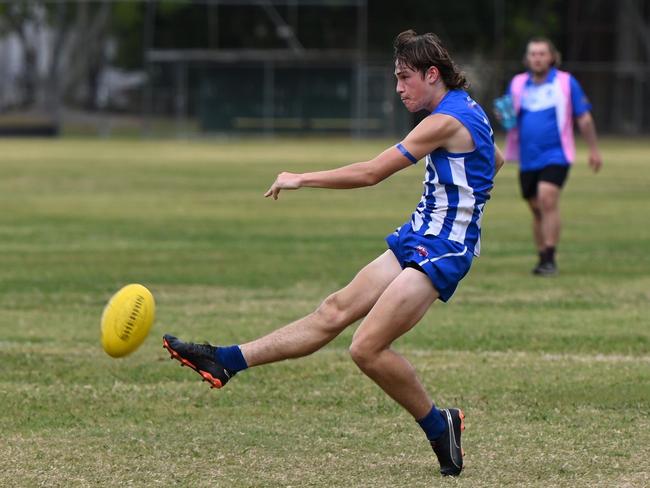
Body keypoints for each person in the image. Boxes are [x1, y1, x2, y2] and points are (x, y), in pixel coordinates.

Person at [163, 30, 504, 478]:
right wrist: (471, 197)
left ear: (432, 74)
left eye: (405, 78)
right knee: (334, 310)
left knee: (366, 348)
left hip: (443, 249)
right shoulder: (463, 109)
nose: (399, 88)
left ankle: (440, 425)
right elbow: (494, 158)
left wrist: (300, 178)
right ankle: (227, 360)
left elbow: (370, 174)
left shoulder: (441, 121)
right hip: (421, 234)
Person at [502, 37, 603, 275]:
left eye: (542, 53)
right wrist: (503, 116)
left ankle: (550, 257)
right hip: (527, 158)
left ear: (551, 57)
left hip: (556, 154)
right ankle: (542, 256)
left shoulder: (566, 83)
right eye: (533, 54)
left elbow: (584, 118)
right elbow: (508, 118)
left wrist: (594, 150)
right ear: (527, 59)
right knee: (536, 208)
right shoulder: (517, 84)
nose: (537, 58)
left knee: (547, 199)